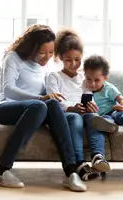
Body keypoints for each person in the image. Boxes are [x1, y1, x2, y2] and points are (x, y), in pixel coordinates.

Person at [0, 24, 86, 192]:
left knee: (50, 105)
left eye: (51, 52)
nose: (47, 57)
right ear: (31, 48)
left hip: (34, 110)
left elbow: (50, 96)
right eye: (42, 52)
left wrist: (69, 105)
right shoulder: (13, 58)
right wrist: (40, 98)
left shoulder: (46, 67)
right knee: (40, 105)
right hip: (1, 106)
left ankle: (71, 172)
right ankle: (2, 170)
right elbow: (9, 90)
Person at [46, 29, 111, 180]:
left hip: (83, 112)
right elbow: (55, 101)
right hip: (65, 115)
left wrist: (92, 105)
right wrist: (71, 108)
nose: (74, 64)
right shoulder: (54, 76)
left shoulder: (84, 77)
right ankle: (80, 163)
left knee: (94, 118)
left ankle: (98, 156)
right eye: (68, 59)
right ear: (60, 57)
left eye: (77, 59)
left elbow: (89, 95)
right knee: (76, 118)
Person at [83, 55, 123, 136]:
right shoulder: (84, 89)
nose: (92, 84)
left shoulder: (108, 88)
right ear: (84, 75)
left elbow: (122, 99)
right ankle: (111, 127)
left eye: (97, 80)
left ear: (105, 77)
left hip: (115, 111)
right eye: (89, 79)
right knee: (105, 120)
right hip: (103, 116)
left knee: (118, 115)